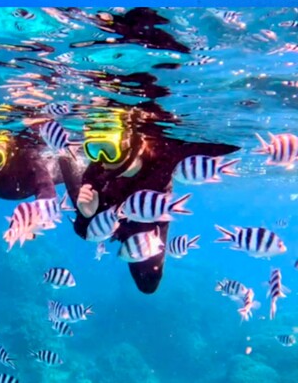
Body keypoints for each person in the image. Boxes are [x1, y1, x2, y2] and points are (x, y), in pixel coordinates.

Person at [59, 105, 239, 294]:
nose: (102, 160)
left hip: (151, 216)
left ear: (132, 143)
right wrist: (86, 213)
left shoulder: (164, 153)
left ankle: (64, 159)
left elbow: (229, 144)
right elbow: (85, 232)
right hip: (113, 215)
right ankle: (64, 159)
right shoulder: (96, 172)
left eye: (110, 150)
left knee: (148, 281)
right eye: (95, 150)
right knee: (82, 204)